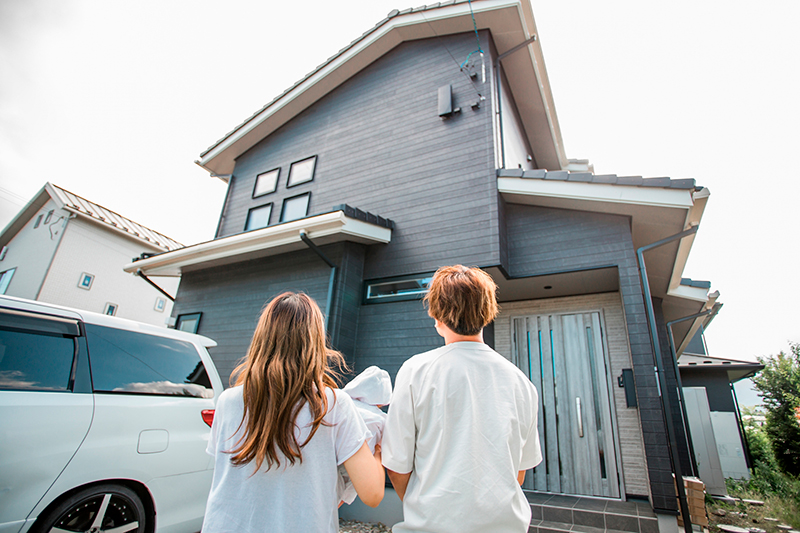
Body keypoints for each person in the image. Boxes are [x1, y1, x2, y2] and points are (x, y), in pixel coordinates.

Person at [202, 292, 384, 532]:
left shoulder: (228, 401)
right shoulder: (333, 404)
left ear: (262, 338)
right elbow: (372, 494)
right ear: (315, 341)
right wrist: (378, 451)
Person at [382, 265, 542, 533]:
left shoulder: (416, 371)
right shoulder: (520, 382)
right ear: (488, 312)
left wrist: (426, 509)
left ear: (436, 315)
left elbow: (397, 466)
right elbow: (519, 471)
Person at [338, 365, 393, 505]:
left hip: (337, 454)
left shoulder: (341, 404)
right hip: (362, 461)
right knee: (348, 489)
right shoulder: (380, 418)